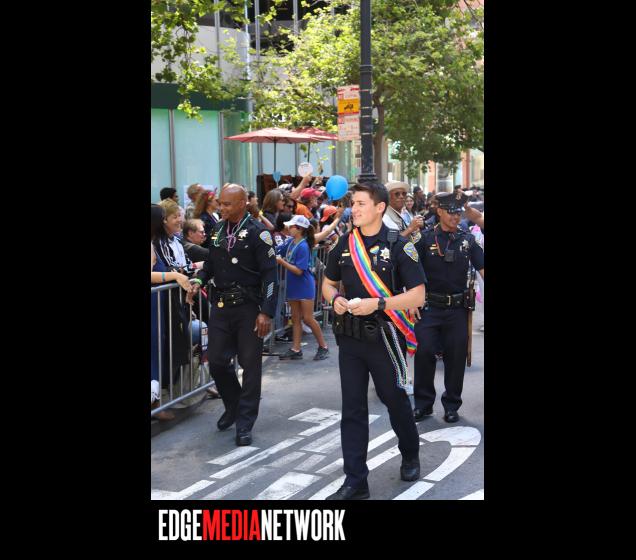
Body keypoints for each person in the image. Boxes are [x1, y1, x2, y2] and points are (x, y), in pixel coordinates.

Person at [321, 181, 426, 500]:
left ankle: (410, 453)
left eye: (361, 204)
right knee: (352, 408)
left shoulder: (398, 245)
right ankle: (355, 481)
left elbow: (418, 296)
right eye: (353, 203)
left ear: (379, 208)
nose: (354, 209)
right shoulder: (344, 243)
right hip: (350, 337)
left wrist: (378, 304)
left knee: (394, 399)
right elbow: (327, 283)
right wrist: (335, 299)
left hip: (385, 336)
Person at [188, 184, 278, 447]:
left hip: (249, 308)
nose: (222, 207)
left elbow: (270, 275)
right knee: (216, 361)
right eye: (221, 203)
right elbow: (211, 264)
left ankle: (245, 422)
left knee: (250, 367)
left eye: (227, 204)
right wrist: (199, 280)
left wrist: (266, 312)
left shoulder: (258, 233)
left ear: (241, 204)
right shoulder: (218, 230)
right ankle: (234, 404)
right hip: (221, 307)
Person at [412, 191, 484, 424]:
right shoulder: (424, 239)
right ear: (440, 211)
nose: (455, 217)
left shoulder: (467, 240)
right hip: (429, 307)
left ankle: (452, 405)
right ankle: (423, 404)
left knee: (455, 357)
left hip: (457, 309)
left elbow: (482, 268)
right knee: (424, 352)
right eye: (451, 212)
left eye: (458, 212)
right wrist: (410, 301)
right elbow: (410, 272)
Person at [151, 204, 194, 421]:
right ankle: (155, 404)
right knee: (154, 350)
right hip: (153, 305)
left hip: (157, 304)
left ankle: (155, 402)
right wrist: (174, 276)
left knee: (156, 349)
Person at [276, 214, 329, 361]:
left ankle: (323, 346)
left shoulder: (304, 246)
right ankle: (296, 349)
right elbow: (277, 250)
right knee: (295, 318)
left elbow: (299, 270)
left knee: (308, 318)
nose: (288, 228)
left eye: (291, 226)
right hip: (293, 285)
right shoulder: (291, 241)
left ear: (299, 229)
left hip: (304, 285)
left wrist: (282, 262)